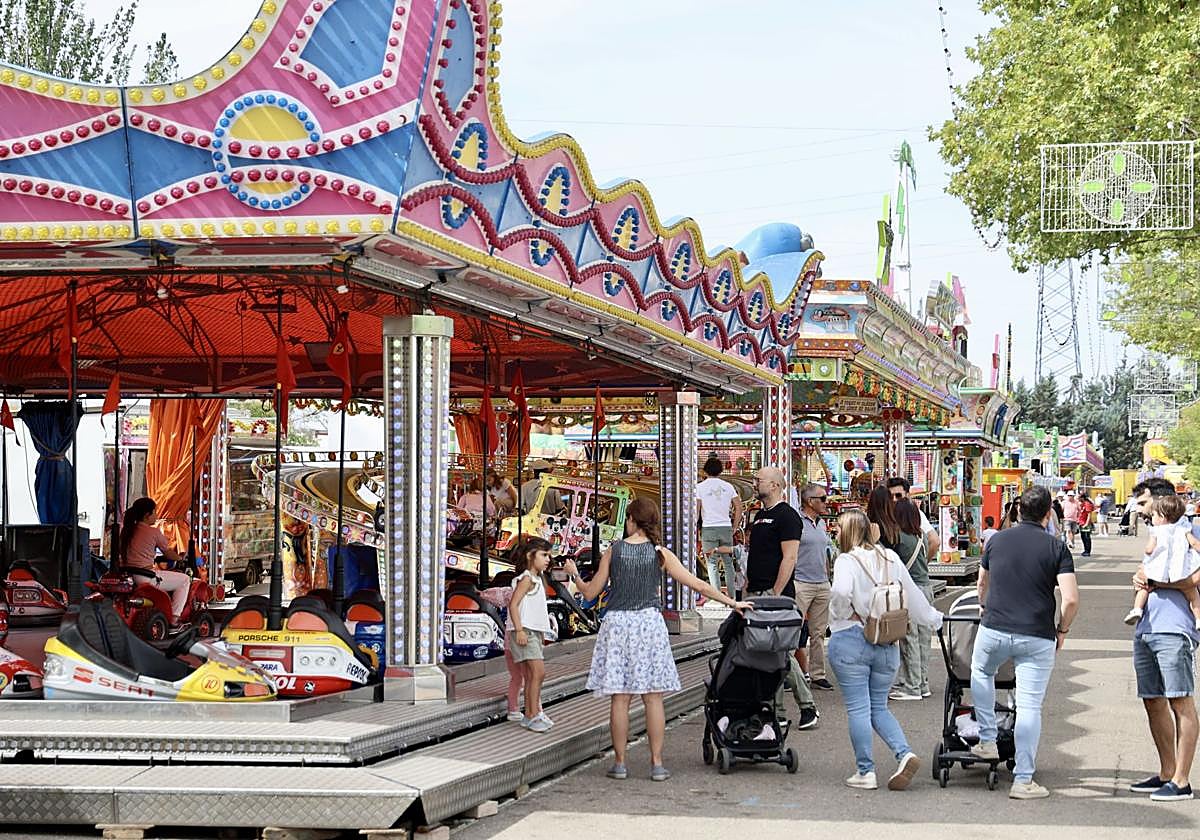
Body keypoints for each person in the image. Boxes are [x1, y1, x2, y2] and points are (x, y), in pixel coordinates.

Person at [563, 498, 750, 782]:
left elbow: (589, 593)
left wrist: (575, 576)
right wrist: (732, 603)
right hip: (649, 625)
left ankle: (620, 763)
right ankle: (657, 763)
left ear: (632, 520)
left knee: (620, 698)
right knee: (653, 698)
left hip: (618, 625)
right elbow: (697, 584)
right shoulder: (659, 553)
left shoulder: (614, 551)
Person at [970, 485, 1079, 800]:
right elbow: (1071, 599)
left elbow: (982, 582)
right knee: (1030, 706)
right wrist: (1062, 630)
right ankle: (1023, 780)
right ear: (1048, 514)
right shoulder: (1057, 548)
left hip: (994, 629)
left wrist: (983, 606)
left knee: (981, 672)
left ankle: (987, 739)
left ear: (1018, 510)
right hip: (1037, 635)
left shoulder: (996, 540)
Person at [828, 509, 943, 791]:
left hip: (851, 640)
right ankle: (904, 753)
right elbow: (913, 596)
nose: (835, 533)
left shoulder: (846, 560)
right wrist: (934, 619)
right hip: (887, 640)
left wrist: (840, 613)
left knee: (858, 708)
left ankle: (865, 771)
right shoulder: (890, 557)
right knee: (878, 707)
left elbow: (841, 592)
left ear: (848, 532)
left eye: (838, 529)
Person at [1128, 480, 1200, 801]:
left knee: (1180, 700)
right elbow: (1148, 570)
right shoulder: (1156, 532)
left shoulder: (1192, 530)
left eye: (1144, 504)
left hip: (1176, 628)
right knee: (1152, 699)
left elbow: (1194, 578)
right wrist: (1140, 579)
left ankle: (1182, 781)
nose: (1141, 511)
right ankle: (1167, 772)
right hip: (1147, 626)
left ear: (1162, 502)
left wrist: (1157, 583)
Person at [744, 466, 820, 727]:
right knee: (769, 653)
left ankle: (805, 707)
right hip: (756, 592)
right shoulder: (759, 516)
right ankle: (778, 713)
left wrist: (776, 592)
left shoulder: (787, 516)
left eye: (759, 479)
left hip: (774, 594)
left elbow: (789, 557)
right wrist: (747, 587)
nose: (755, 483)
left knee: (779, 651)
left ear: (775, 485)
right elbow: (755, 555)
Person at [1125, 495, 1200, 630]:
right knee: (1193, 596)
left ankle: (1137, 609)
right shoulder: (1185, 529)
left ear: (1162, 516)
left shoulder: (1156, 531)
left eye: (1153, 514)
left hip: (1159, 570)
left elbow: (1149, 550)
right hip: (1180, 569)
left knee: (1144, 588)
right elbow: (1194, 544)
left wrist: (1152, 581)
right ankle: (1198, 618)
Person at [506, 537, 555, 732]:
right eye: (544, 555)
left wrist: (540, 632)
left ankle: (530, 714)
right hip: (525, 631)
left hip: (531, 631)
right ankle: (533, 714)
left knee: (532, 675)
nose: (548, 559)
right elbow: (513, 605)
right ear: (530, 556)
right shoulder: (527, 579)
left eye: (549, 556)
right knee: (538, 673)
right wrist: (519, 630)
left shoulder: (536, 579)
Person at [118, 497, 192, 623]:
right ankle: (174, 618)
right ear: (147, 515)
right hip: (145, 577)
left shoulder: (127, 530)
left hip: (128, 575)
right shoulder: (153, 532)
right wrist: (181, 558)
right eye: (155, 512)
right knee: (184, 580)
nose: (156, 516)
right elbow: (168, 553)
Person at [889, 499, 934, 701]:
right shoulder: (921, 535)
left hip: (910, 590)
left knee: (909, 639)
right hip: (926, 588)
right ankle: (923, 683)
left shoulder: (898, 536)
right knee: (924, 639)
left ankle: (912, 686)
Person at [795, 483, 834, 692]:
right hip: (801, 582)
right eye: (823, 499)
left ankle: (818, 674)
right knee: (793, 630)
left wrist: (828, 575)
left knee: (818, 632)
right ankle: (789, 673)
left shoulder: (821, 524)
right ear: (810, 501)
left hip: (821, 582)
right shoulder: (796, 522)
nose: (826, 502)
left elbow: (825, 552)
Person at [695, 454, 743, 595]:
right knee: (728, 562)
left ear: (705, 471)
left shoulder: (700, 487)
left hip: (708, 528)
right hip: (726, 527)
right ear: (720, 471)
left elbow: (696, 511)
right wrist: (735, 526)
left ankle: (716, 596)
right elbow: (739, 507)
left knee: (711, 563)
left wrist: (694, 527)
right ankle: (732, 596)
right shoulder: (728, 487)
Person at [887, 477, 940, 559]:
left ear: (907, 495)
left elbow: (934, 541)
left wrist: (923, 562)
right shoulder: (885, 513)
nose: (894, 499)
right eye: (890, 496)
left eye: (898, 495)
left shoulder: (915, 514)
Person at [1076, 491, 1095, 557]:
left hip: (1086, 523)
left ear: (1082, 498)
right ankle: (1085, 550)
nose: (1078, 499)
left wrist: (1087, 523)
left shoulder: (1087, 504)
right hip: (1081, 523)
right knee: (1083, 537)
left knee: (1086, 537)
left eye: (1079, 497)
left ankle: (1087, 551)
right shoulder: (1082, 503)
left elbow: (1089, 515)